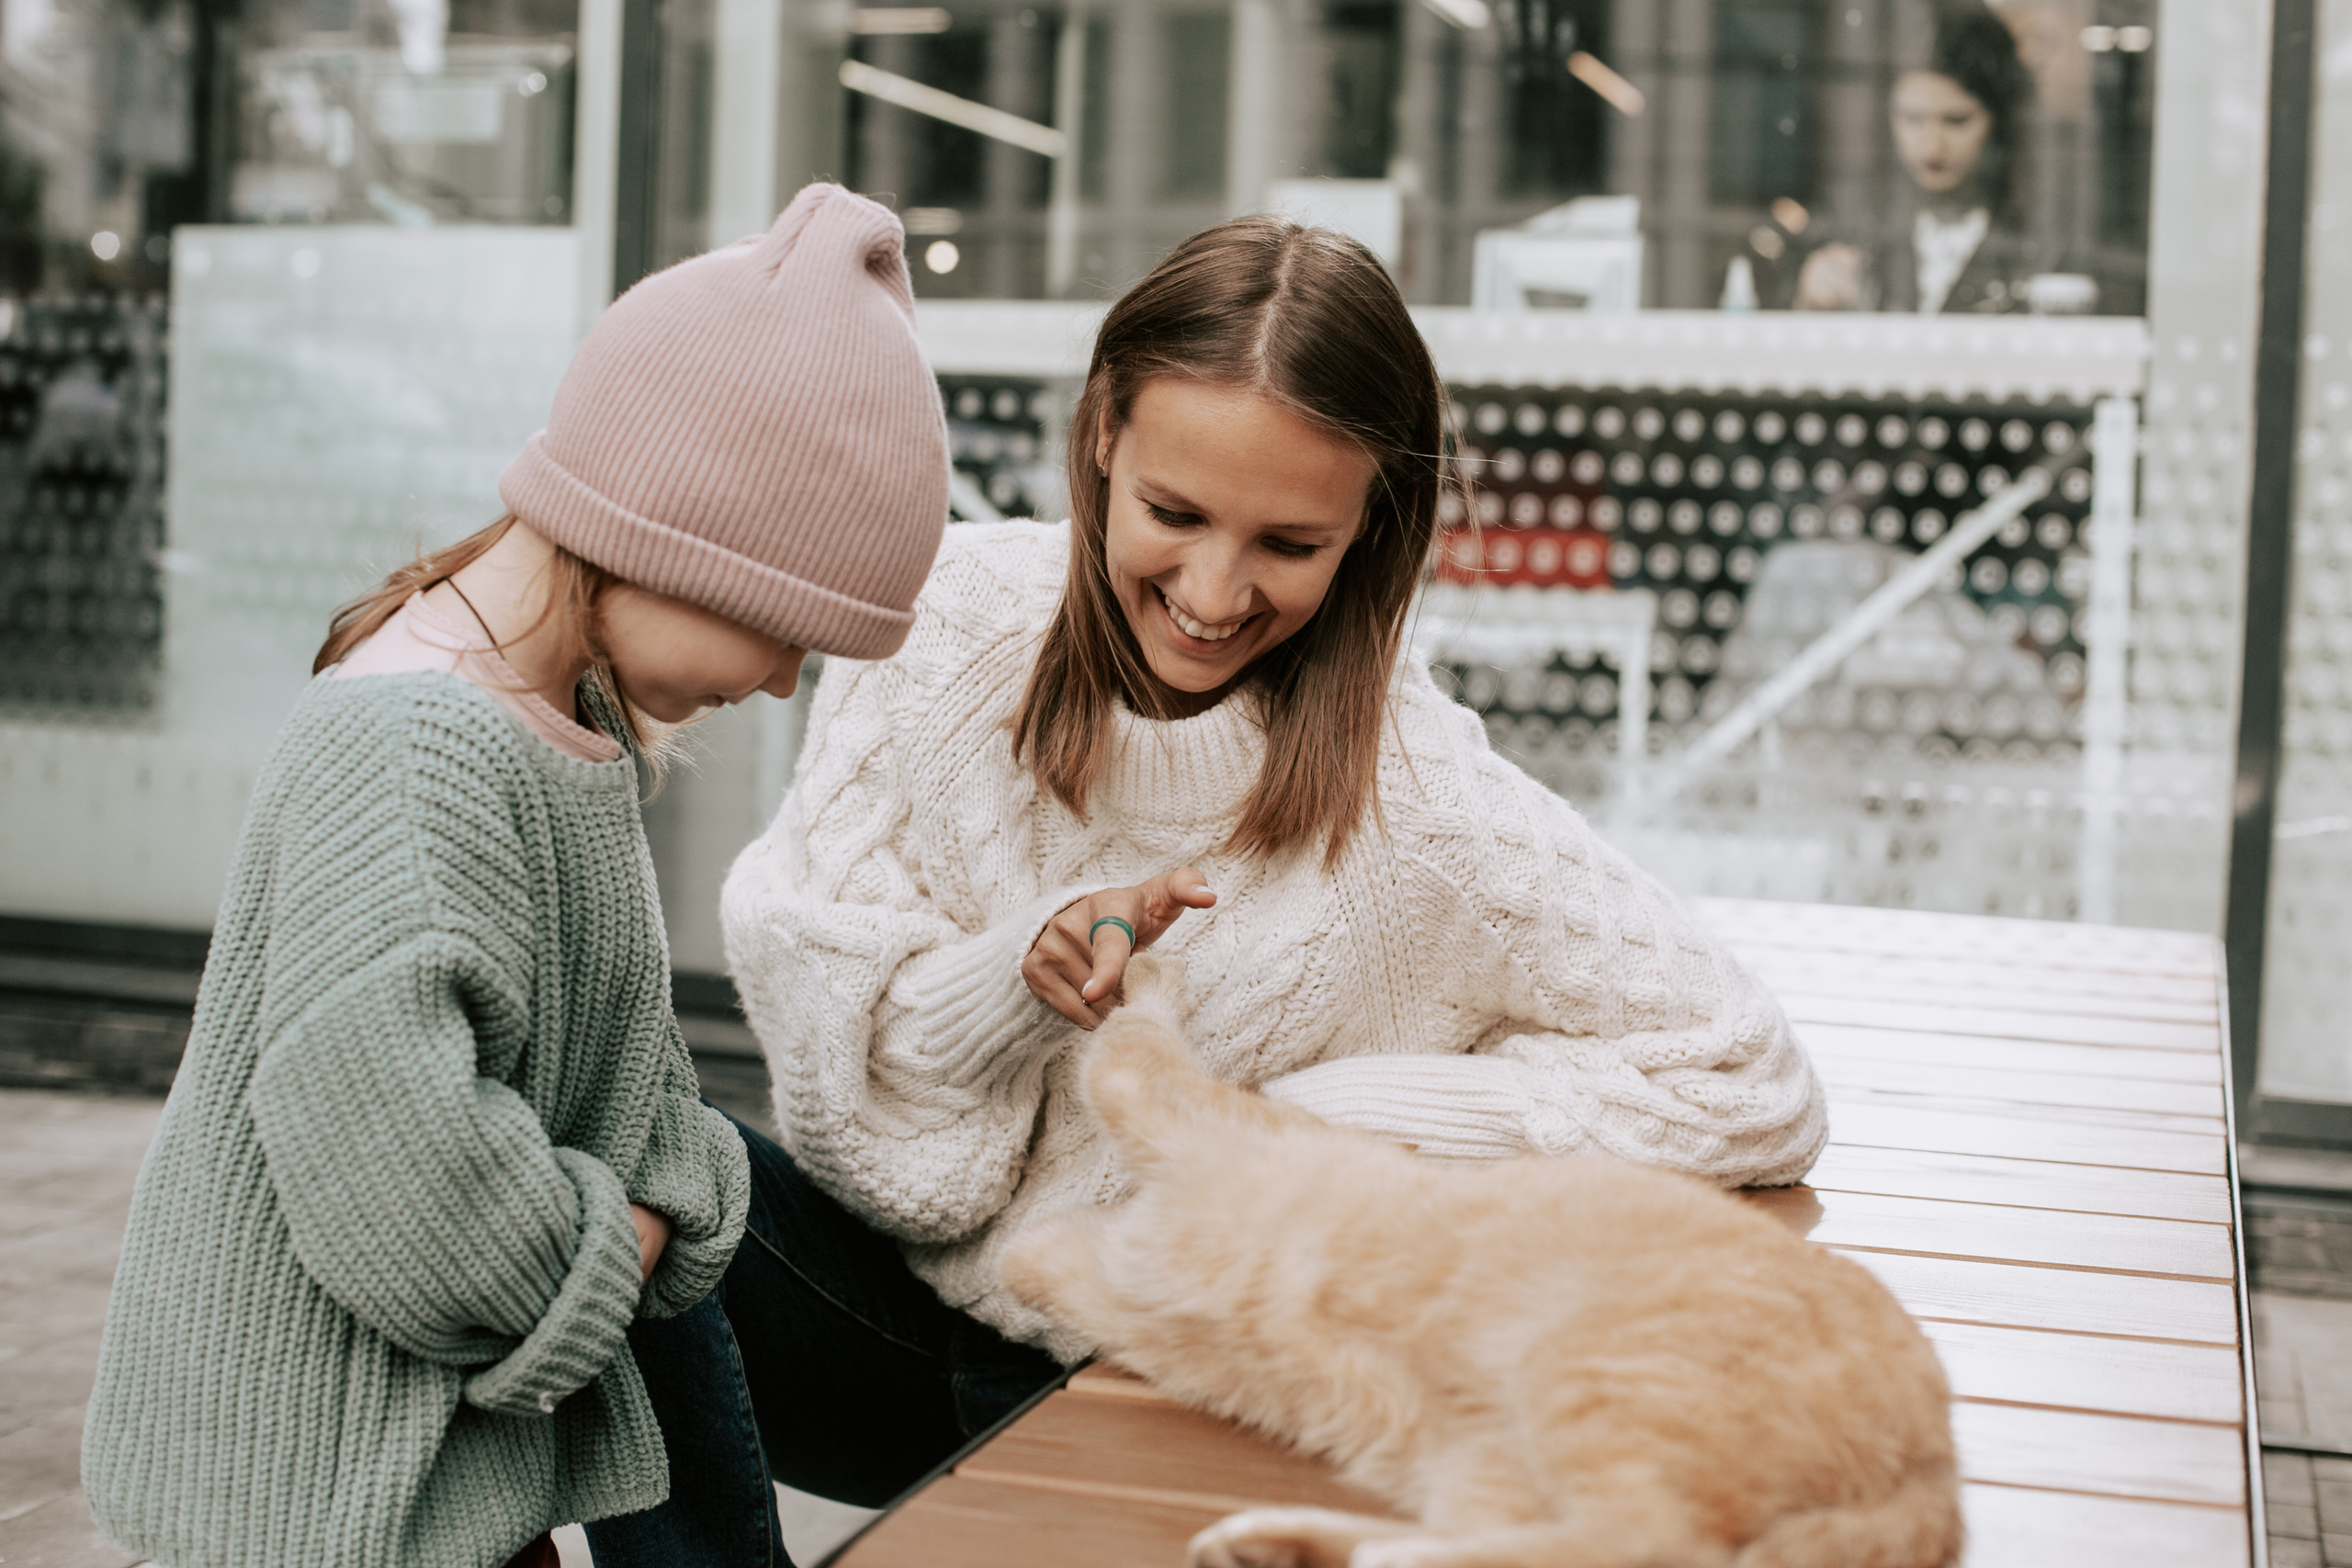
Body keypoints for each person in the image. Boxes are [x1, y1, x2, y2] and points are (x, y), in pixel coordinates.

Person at [588, 216, 1829, 1564]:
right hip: (883, 1304)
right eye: (1175, 514)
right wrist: (1015, 982)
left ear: (1371, 524)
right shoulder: (943, 624)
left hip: (1188, 1384)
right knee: (614, 1145)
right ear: (1104, 431)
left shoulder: (1424, 796)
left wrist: (1313, 1132)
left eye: (1290, 543)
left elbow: (1744, 1073)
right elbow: (887, 1151)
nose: (1214, 590)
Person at [78, 184, 950, 1568]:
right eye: (788, 624)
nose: (785, 677)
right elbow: (412, 1193)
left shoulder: (560, 727)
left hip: (435, 1470)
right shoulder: (416, 742)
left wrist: (678, 1186)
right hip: (324, 1500)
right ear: (674, 535)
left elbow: (625, 1084)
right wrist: (642, 1236)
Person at [1786, 2, 2042, 313]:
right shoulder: (1849, 227)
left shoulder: (2036, 239)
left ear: (1998, 122)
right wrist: (1809, 303)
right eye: (1912, 118)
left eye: (1956, 121)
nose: (1932, 147)